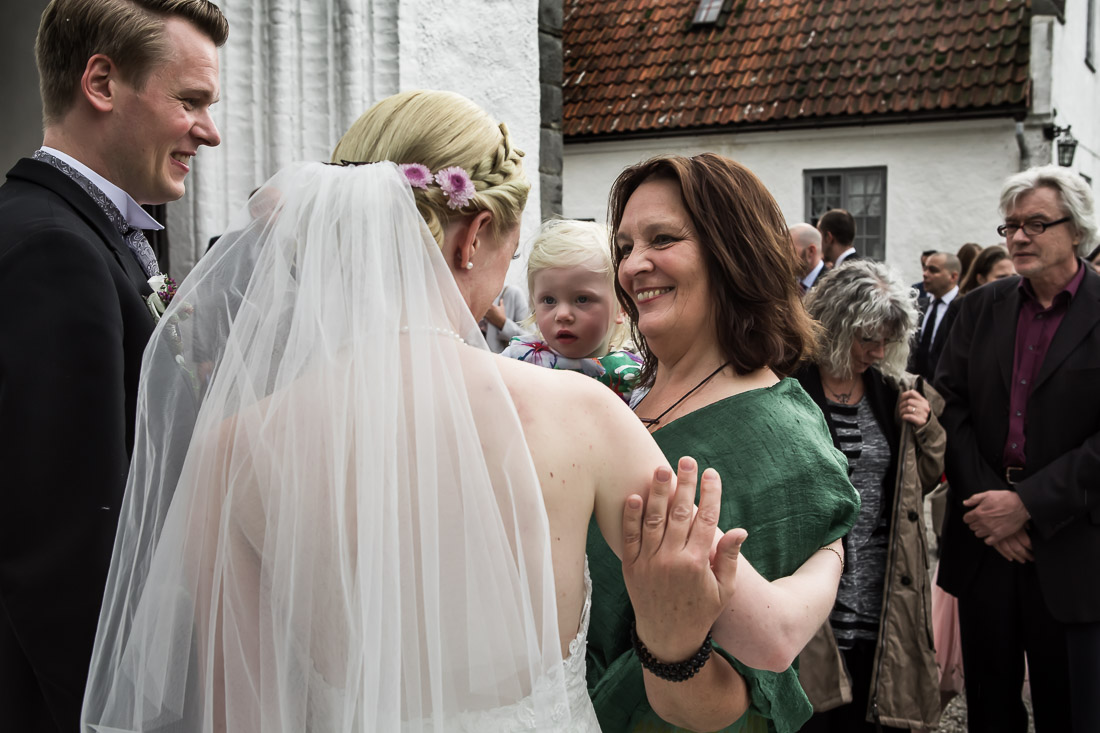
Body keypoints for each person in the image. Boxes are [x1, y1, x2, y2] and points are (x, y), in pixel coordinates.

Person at [81, 91, 852, 733]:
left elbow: (237, 716)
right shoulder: (581, 414)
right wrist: (830, 559)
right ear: (474, 232)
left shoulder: (231, 450)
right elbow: (771, 637)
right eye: (512, 256)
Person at [0, 1, 226, 730]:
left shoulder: (78, 233)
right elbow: (65, 552)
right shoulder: (54, 251)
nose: (209, 130)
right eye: (190, 101)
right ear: (101, 82)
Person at [586, 153, 861, 733]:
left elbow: (744, 698)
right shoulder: (631, 392)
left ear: (732, 251)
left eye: (663, 239)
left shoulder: (780, 439)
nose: (635, 265)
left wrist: (670, 649)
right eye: (624, 247)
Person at [935, 164, 1100, 733]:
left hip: (1073, 544)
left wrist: (1027, 504)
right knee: (990, 708)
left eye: (1035, 223)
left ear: (1076, 230)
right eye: (1009, 227)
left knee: (1072, 710)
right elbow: (949, 407)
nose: (1019, 237)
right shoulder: (980, 308)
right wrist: (991, 505)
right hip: (986, 544)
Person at [795, 260, 945, 732]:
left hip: (882, 586)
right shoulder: (790, 386)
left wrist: (928, 427)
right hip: (813, 584)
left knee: (872, 702)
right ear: (837, 326)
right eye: (867, 339)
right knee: (817, 710)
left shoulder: (892, 389)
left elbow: (928, 475)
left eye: (887, 339)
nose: (878, 351)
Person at [502, 218, 641, 401]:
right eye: (549, 300)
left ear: (621, 308)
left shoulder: (633, 376)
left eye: (582, 299)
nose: (562, 315)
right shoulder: (518, 360)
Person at [908, 251, 961, 382]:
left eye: (933, 270)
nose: (925, 274)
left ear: (953, 276)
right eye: (925, 268)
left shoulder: (963, 308)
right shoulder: (918, 305)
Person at [481, 283, 530, 352]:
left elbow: (531, 341)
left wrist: (502, 323)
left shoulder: (513, 294)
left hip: (502, 361)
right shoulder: (467, 296)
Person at [790, 221, 826, 293]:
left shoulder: (832, 286)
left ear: (811, 251)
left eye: (789, 250)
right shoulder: (789, 285)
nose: (783, 256)